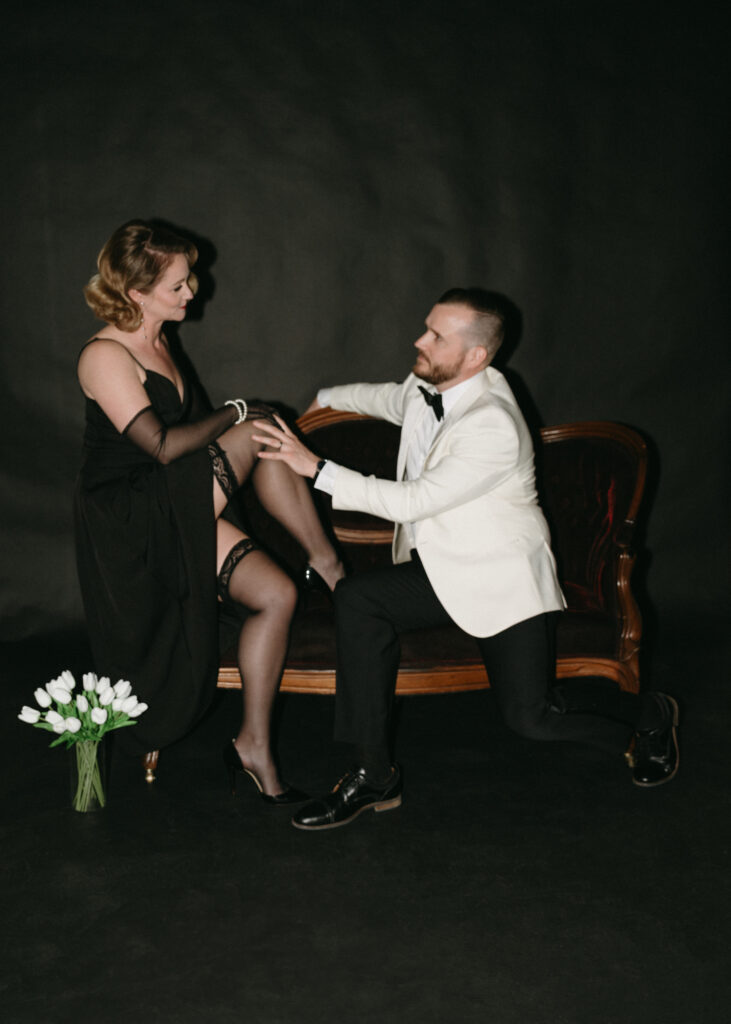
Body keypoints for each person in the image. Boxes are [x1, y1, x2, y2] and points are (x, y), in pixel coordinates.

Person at [252, 287, 680, 830]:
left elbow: (412, 500)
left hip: (498, 578)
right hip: (438, 567)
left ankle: (649, 717)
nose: (418, 340)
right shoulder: (428, 385)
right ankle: (374, 774)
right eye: (425, 327)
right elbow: (385, 398)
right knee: (359, 600)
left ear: (476, 357)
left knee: (532, 718)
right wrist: (325, 398)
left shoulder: (493, 424)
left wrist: (313, 467)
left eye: (435, 336)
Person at [74, 220, 344, 801]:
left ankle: (252, 747)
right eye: (177, 285)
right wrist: (235, 411)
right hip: (130, 516)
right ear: (135, 295)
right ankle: (329, 565)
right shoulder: (104, 356)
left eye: (187, 278)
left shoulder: (160, 337)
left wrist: (240, 418)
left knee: (277, 596)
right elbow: (163, 446)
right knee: (258, 426)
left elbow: (180, 449)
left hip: (170, 494)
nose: (192, 291)